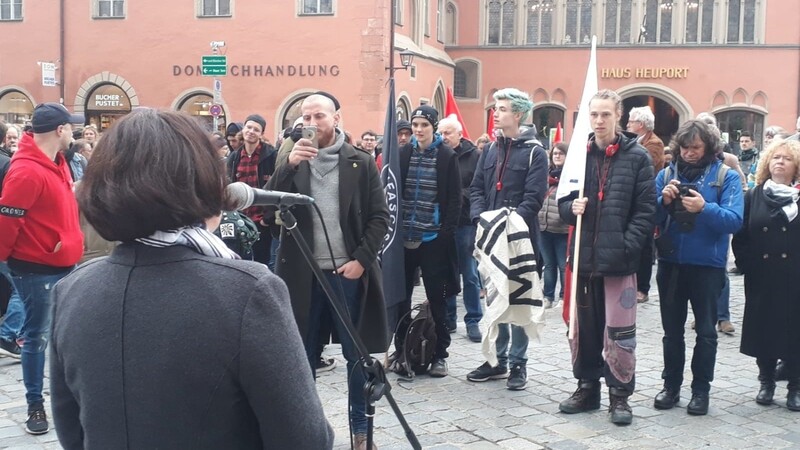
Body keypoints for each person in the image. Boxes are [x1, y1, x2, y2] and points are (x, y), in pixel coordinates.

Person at [49, 108, 334, 449]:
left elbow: (72, 432)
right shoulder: (247, 291)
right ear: (201, 180)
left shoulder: (72, 290)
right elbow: (305, 438)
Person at [267, 93, 389, 450]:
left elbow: (379, 217)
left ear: (336, 117)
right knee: (301, 358)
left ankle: (360, 434)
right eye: (305, 116)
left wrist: (361, 260)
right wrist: (288, 165)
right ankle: (306, 436)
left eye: (318, 115)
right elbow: (269, 202)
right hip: (302, 276)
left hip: (345, 275)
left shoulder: (360, 162)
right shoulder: (292, 158)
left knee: (357, 359)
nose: (311, 122)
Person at [557, 89, 656, 425]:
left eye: (605, 115)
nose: (599, 122)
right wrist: (572, 208)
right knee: (584, 329)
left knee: (619, 332)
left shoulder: (638, 156)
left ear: (618, 117)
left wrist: (627, 245)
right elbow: (562, 202)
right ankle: (587, 387)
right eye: (593, 115)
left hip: (619, 262)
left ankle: (619, 395)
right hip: (584, 259)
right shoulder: (578, 155)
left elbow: (645, 211)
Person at [0, 103, 86, 435]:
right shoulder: (26, 170)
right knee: (36, 338)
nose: (74, 132)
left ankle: (68, 400)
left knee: (62, 337)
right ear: (60, 130)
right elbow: (7, 222)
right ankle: (35, 405)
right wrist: (8, 259)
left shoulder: (58, 162)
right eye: (71, 126)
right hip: (37, 269)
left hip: (64, 262)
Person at [653, 119, 744, 416]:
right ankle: (671, 386)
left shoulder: (725, 176)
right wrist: (662, 201)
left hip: (708, 266)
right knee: (671, 332)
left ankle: (700, 391)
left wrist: (704, 208)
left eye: (696, 147)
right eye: (685, 147)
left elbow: (734, 220)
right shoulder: (666, 173)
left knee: (706, 332)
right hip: (670, 263)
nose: (689, 153)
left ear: (708, 147)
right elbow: (648, 218)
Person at [467, 88, 548, 390]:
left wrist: (509, 223)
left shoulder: (534, 152)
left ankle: (518, 364)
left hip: (520, 240)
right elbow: (476, 188)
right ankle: (496, 361)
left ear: (517, 113)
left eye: (501, 108)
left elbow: (534, 197)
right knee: (495, 297)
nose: (496, 113)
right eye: (495, 108)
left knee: (519, 298)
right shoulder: (489, 150)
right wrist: (480, 218)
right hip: (490, 238)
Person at [732, 139, 800, 411]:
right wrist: (748, 265)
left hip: (795, 277)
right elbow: (741, 235)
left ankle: (795, 386)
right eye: (775, 157)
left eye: (786, 158)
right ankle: (767, 381)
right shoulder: (754, 196)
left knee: (795, 330)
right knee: (764, 328)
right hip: (763, 276)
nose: (780, 162)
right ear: (767, 163)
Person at [394, 104, 461, 378]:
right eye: (415, 126)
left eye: (424, 125)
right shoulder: (403, 153)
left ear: (433, 127)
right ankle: (401, 350)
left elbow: (455, 198)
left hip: (432, 237)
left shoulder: (446, 156)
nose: (419, 130)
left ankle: (439, 355)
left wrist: (446, 232)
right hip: (405, 237)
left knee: (438, 297)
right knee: (400, 297)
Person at [437, 114, 483, 342]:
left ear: (459, 134)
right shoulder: (438, 154)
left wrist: (455, 196)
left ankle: (473, 319)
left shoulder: (474, 155)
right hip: (443, 223)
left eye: (448, 133)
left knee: (470, 274)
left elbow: (477, 187)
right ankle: (449, 317)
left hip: (465, 222)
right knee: (446, 272)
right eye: (441, 133)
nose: (443, 137)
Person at [225, 114, 278, 266]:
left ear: (261, 134)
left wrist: (267, 218)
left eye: (256, 129)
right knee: (242, 263)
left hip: (262, 221)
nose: (251, 131)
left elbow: (276, 186)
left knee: (263, 263)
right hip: (241, 220)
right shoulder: (235, 157)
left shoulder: (271, 155)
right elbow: (229, 187)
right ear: (243, 130)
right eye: (249, 127)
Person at [627, 106, 664, 303]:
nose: (627, 125)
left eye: (630, 121)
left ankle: (643, 288)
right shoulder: (633, 141)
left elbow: (645, 164)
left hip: (646, 198)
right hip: (631, 198)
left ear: (640, 125)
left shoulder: (654, 144)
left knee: (644, 247)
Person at [538, 142, 570, 309]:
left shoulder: (570, 177)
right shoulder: (546, 175)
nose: (557, 156)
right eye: (555, 153)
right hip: (544, 226)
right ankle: (548, 296)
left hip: (562, 228)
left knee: (563, 265)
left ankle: (564, 297)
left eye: (561, 153)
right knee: (548, 265)